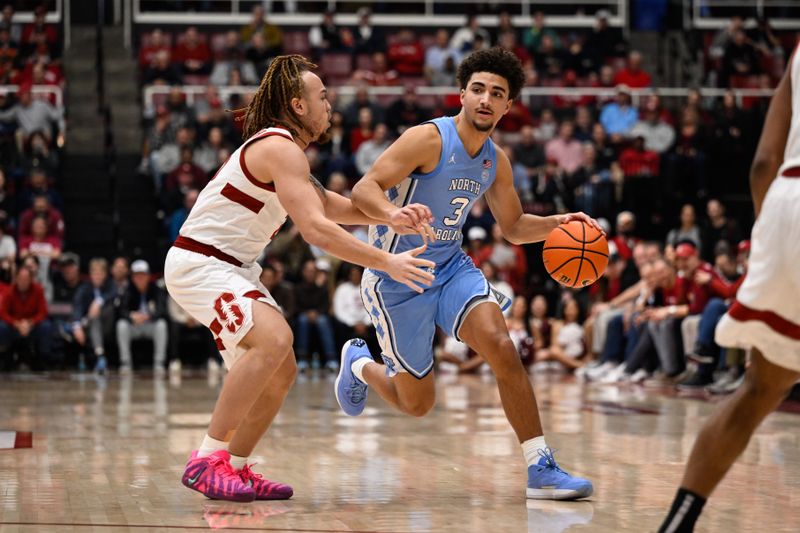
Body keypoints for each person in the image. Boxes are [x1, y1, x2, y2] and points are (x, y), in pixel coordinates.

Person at [163, 55, 437, 503]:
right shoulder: (278, 147)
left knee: (281, 367)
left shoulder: (287, 153)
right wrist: (384, 261)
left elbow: (332, 206)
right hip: (201, 262)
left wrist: (391, 216)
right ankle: (205, 461)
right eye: (322, 97)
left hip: (231, 266)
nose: (330, 105)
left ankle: (235, 466)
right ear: (297, 105)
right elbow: (315, 229)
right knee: (274, 339)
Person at [337, 47, 598, 500]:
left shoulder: (495, 161)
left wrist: (560, 222)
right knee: (417, 405)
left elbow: (514, 228)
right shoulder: (428, 139)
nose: (485, 99)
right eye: (478, 89)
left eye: (497, 93)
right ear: (461, 93)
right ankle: (359, 364)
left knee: (502, 346)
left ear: (508, 106)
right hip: (399, 274)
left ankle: (540, 465)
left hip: (452, 267)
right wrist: (392, 214)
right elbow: (364, 187)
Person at [659, 42, 800, 533]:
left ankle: (677, 524)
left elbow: (763, 163)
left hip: (785, 202)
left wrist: (777, 240)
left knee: (760, 389)